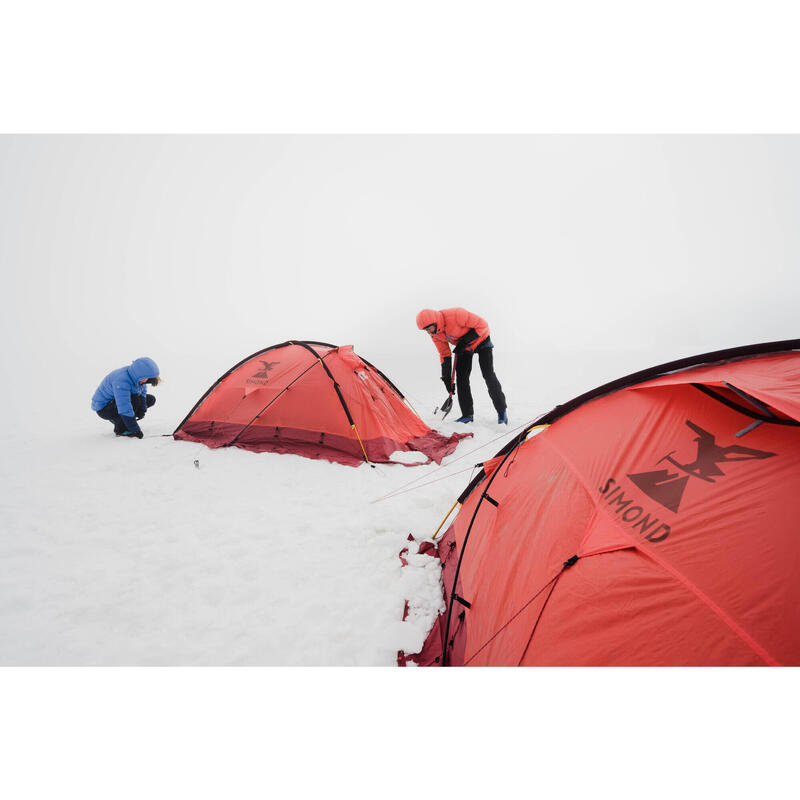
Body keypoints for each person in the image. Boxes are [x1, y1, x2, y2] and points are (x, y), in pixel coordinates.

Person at [416, 308, 507, 424]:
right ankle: (467, 415)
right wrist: (446, 377)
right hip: (465, 347)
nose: (428, 333)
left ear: (434, 322)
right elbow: (444, 354)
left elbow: (483, 325)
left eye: (428, 329)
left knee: (488, 374)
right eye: (426, 331)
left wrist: (464, 341)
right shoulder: (435, 334)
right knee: (461, 379)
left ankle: (502, 412)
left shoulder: (456, 315)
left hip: (482, 340)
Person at [91, 357, 161, 438]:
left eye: (147, 378)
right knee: (134, 401)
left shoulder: (137, 377)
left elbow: (142, 394)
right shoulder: (121, 380)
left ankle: (121, 420)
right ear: (138, 374)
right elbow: (124, 406)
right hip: (104, 408)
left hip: (117, 402)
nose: (146, 380)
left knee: (150, 399)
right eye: (144, 378)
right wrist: (135, 429)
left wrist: (142, 410)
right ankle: (120, 429)